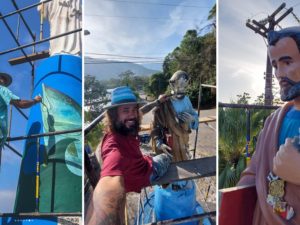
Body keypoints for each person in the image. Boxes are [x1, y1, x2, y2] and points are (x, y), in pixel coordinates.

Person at [238, 27, 300, 225]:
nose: (279, 74)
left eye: (287, 62)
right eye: (275, 65)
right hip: (265, 217)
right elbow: (255, 169)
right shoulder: (273, 121)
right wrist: (236, 197)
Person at [88, 86, 172, 225]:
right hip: (143, 173)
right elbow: (109, 187)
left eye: (133, 109)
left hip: (136, 165)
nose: (132, 115)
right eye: (126, 110)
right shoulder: (113, 148)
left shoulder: (120, 127)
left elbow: (140, 112)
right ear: (114, 115)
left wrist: (157, 102)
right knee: (168, 156)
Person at [152, 70, 199, 162]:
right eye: (179, 85)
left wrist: (193, 119)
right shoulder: (164, 102)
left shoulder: (186, 100)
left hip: (184, 141)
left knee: (185, 164)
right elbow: (156, 126)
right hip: (169, 144)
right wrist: (159, 143)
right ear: (172, 85)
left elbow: (194, 116)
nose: (182, 89)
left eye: (184, 86)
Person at [0, 73, 42, 165]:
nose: (3, 81)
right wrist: (35, 101)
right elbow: (21, 103)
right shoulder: (2, 90)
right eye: (2, 79)